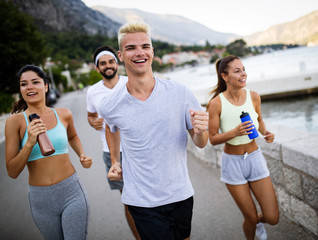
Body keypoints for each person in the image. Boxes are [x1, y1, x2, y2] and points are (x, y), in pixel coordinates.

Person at [98, 21, 209, 240]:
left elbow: (200, 142)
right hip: (141, 199)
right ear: (121, 55)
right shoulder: (110, 104)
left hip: (180, 193)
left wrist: (201, 130)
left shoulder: (180, 92)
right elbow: (110, 128)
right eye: (131, 48)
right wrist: (114, 160)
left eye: (145, 46)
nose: (139, 53)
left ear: (152, 51)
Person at [5, 65, 92, 240]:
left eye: (35, 82)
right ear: (20, 89)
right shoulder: (15, 122)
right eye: (24, 84)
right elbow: (12, 171)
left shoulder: (64, 114)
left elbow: (73, 136)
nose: (29, 87)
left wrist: (81, 154)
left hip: (71, 192)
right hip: (40, 199)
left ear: (45, 86)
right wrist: (29, 142)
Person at [206, 55, 279, 240]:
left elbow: (259, 119)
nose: (243, 74)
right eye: (237, 71)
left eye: (243, 69)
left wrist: (266, 133)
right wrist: (234, 132)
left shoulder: (254, 96)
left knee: (272, 217)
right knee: (251, 218)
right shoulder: (216, 103)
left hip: (255, 158)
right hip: (233, 164)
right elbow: (212, 139)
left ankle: (257, 223)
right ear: (225, 76)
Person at [86, 45, 140, 239]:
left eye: (110, 61)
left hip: (138, 148)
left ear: (116, 63)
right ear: (97, 68)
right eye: (103, 63)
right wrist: (94, 123)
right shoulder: (93, 92)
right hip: (111, 152)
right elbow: (91, 115)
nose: (108, 66)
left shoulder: (130, 83)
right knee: (129, 199)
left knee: (148, 194)